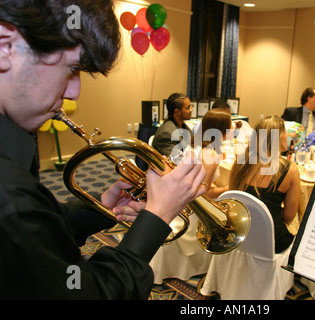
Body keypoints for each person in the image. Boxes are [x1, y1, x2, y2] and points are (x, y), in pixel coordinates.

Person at [0, 0, 206, 299]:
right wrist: (158, 216)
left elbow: (33, 238)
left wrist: (99, 207)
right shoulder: (10, 193)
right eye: (72, 69)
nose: (74, 92)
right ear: (5, 46)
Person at [229, 115, 300, 254]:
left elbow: (233, 200)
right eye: (285, 132)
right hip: (271, 242)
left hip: (239, 236)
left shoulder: (240, 162)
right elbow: (289, 216)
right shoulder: (290, 170)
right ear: (277, 137)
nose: (288, 136)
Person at [193, 109, 231, 199]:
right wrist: (230, 188)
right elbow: (203, 193)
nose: (232, 127)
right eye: (230, 125)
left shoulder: (196, 143)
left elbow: (201, 182)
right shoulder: (209, 154)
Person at [152, 93, 193, 157]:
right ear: (177, 111)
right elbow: (176, 161)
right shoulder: (165, 134)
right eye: (187, 108)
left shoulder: (183, 126)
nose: (191, 110)